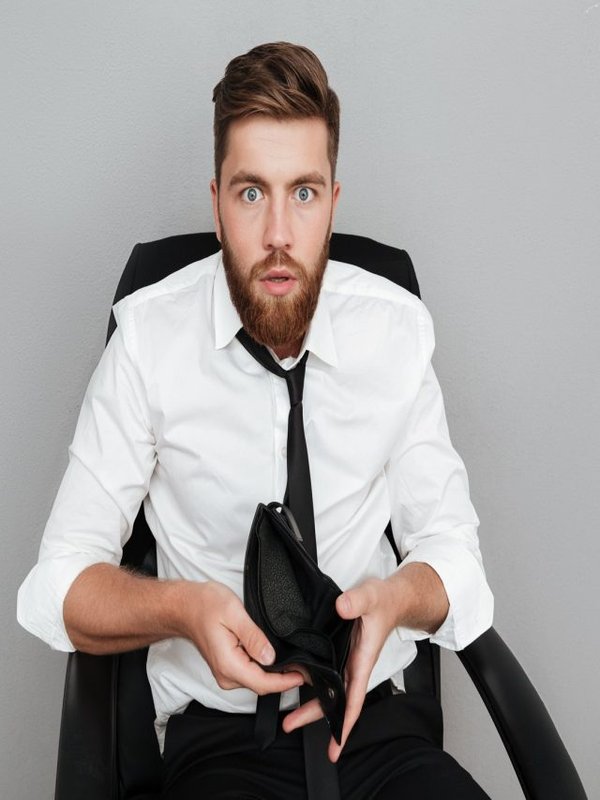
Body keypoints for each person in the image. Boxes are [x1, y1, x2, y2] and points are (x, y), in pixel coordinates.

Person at [18, 42, 494, 798]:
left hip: (377, 728)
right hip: (224, 740)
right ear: (215, 202)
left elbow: (457, 563)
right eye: (251, 194)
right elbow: (57, 586)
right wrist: (182, 609)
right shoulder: (148, 340)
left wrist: (398, 599)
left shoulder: (395, 332)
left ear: (334, 200)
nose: (278, 233)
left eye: (303, 193)